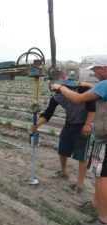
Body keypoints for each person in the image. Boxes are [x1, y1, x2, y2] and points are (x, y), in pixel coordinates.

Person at [51, 56, 107, 224]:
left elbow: (77, 99)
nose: (94, 73)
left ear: (104, 67)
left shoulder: (104, 85)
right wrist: (89, 86)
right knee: (101, 174)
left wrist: (60, 87)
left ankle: (103, 218)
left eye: (96, 69)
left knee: (101, 177)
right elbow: (98, 90)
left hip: (105, 140)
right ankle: (95, 204)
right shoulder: (101, 86)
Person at [31, 70, 95, 192]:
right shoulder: (57, 96)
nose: (53, 88)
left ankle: (79, 184)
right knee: (62, 150)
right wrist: (36, 124)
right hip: (69, 124)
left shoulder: (80, 89)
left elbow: (92, 106)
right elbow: (48, 113)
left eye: (54, 84)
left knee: (81, 155)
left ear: (63, 80)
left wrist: (88, 124)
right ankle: (64, 172)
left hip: (83, 125)